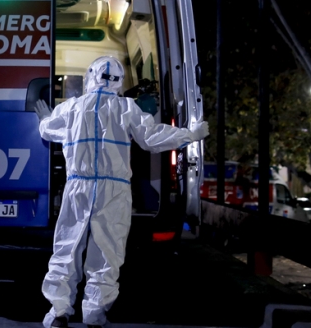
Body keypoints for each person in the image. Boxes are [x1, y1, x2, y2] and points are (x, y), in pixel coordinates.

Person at [33, 55, 208, 328]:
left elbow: (48, 130)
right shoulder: (127, 108)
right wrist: (189, 135)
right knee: (107, 252)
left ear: (90, 76)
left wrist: (44, 119)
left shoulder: (72, 107)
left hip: (78, 185)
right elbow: (151, 138)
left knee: (67, 248)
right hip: (113, 189)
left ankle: (58, 312)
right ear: (118, 81)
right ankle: (94, 314)